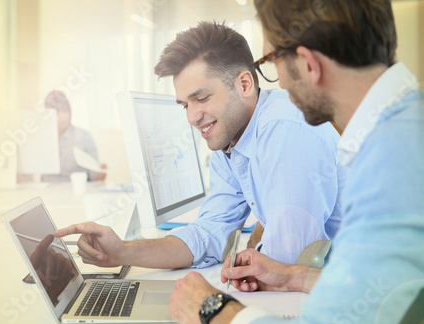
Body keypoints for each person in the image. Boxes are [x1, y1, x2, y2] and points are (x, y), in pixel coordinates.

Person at [168, 1, 424, 324]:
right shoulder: (401, 128)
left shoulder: (394, 157)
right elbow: (377, 288)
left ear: (308, 64)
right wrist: (295, 275)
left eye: (271, 62)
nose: (280, 87)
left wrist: (214, 308)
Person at [55, 23, 346, 272]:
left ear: (245, 84)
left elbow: (288, 260)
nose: (192, 117)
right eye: (185, 104)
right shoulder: (230, 141)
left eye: (202, 98)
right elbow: (209, 233)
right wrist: (123, 252)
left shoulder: (286, 130)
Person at [43, 90, 107, 182]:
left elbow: (95, 178)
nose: (62, 117)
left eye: (65, 111)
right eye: (57, 113)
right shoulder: (42, 139)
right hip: (45, 192)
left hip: (73, 192)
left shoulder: (84, 137)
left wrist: (101, 174)